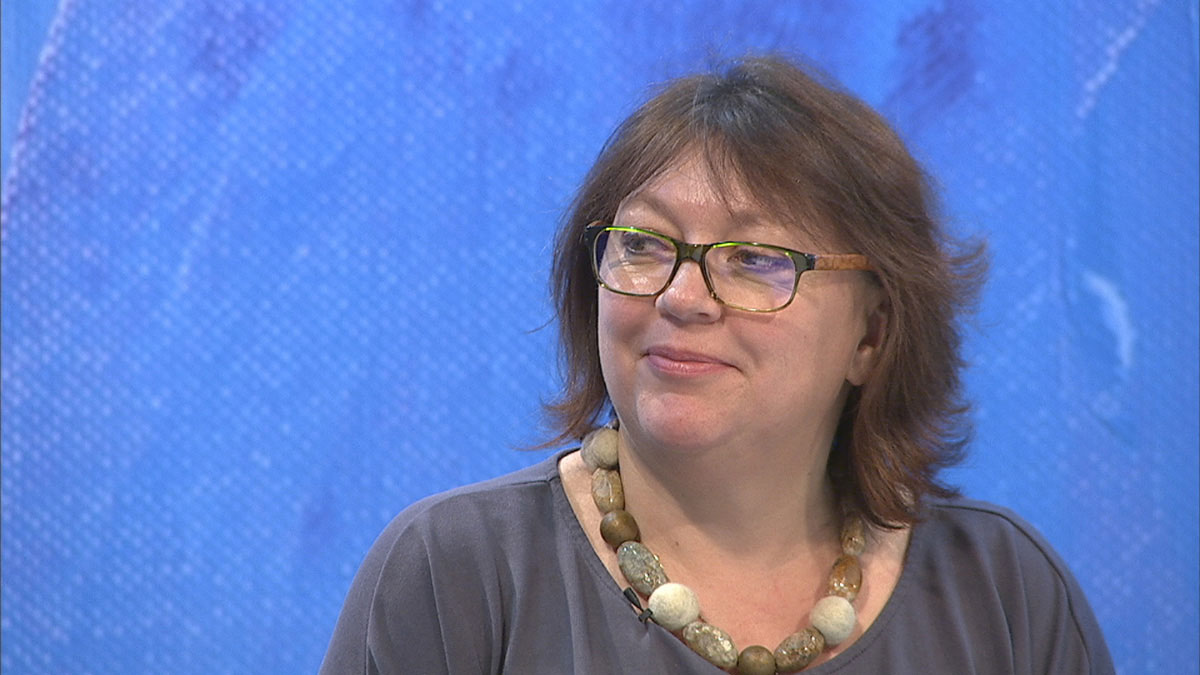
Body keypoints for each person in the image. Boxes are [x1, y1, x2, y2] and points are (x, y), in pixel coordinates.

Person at [320, 55, 1114, 674]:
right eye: (642, 244)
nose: (681, 296)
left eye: (754, 258)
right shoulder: (455, 572)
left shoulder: (1007, 594)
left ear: (872, 335)